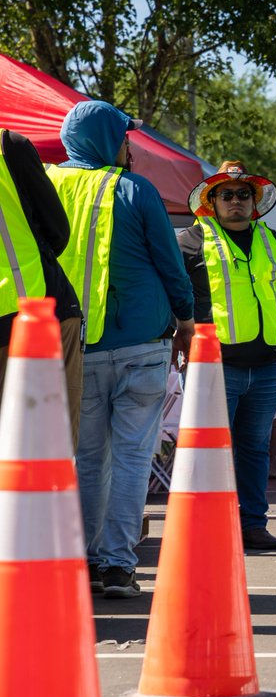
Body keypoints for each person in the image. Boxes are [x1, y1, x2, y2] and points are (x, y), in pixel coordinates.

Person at [47, 100, 195, 599]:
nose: (129, 147)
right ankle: (118, 566)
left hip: (74, 346)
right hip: (140, 346)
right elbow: (171, 264)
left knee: (88, 458)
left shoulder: (48, 184)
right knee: (133, 457)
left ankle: (87, 561)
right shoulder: (135, 189)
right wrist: (186, 320)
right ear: (112, 139)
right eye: (124, 138)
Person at [177, 161, 276, 550]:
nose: (236, 201)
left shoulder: (273, 240)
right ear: (211, 201)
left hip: (266, 366)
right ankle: (206, 528)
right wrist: (175, 335)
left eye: (243, 195)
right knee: (207, 450)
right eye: (227, 195)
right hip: (213, 368)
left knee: (254, 450)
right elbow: (170, 290)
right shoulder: (190, 241)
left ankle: (252, 524)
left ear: (254, 201)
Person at [0, 129, 83, 441]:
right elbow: (57, 231)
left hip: (34, 314)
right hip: (40, 311)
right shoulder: (8, 145)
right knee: (49, 446)